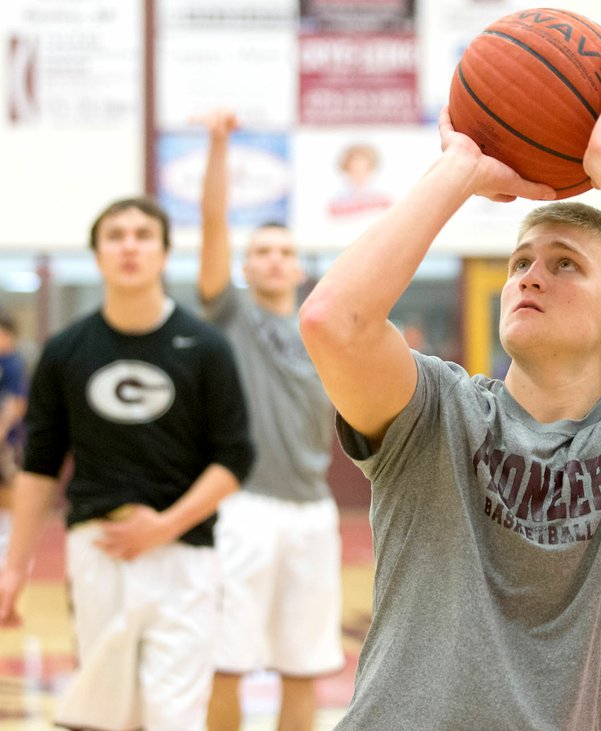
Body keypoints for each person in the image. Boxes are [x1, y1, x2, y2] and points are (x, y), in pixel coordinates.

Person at [298, 41, 601, 730]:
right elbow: (334, 321)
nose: (530, 276)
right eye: (520, 262)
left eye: (564, 264)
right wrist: (456, 169)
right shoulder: (437, 413)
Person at [0, 196, 254, 731]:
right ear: (97, 255)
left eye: (143, 235)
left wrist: (164, 525)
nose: (130, 246)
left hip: (183, 552)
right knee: (106, 716)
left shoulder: (206, 347)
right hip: (97, 551)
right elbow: (39, 467)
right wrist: (13, 568)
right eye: (116, 236)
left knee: (173, 716)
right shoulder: (67, 349)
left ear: (164, 253)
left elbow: (234, 458)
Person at [199, 110, 344, 731]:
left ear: (299, 267)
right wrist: (217, 145)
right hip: (245, 508)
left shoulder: (327, 329)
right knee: (227, 662)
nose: (274, 258)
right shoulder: (233, 315)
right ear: (247, 267)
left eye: (285, 251)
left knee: (303, 666)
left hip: (313, 512)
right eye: (261, 251)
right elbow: (211, 226)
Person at [0, 311, 28, 559]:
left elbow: (16, 403)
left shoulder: (13, 364)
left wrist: (1, 430)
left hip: (7, 441)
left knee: (8, 488)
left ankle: (7, 545)